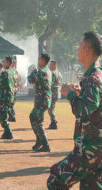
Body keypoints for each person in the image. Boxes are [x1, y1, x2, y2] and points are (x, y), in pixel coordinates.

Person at [47, 31, 102, 190]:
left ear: (87, 50)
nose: (77, 49)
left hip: (88, 149)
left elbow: (84, 109)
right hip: (97, 147)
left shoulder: (92, 78)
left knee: (55, 180)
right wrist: (80, 94)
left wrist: (69, 94)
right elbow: (94, 106)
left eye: (80, 46)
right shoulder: (97, 76)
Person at [28, 53, 52, 152]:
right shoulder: (48, 71)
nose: (38, 60)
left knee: (37, 120)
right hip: (44, 99)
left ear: (44, 61)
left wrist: (33, 71)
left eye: (39, 59)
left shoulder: (41, 71)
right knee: (34, 117)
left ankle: (45, 144)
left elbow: (31, 80)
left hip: (42, 100)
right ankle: (39, 140)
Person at [0, 57, 15, 139]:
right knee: (4, 114)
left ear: (7, 63)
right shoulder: (13, 72)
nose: (3, 63)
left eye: (4, 62)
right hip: (10, 96)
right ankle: (6, 132)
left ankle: (8, 131)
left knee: (2, 115)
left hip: (4, 96)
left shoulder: (4, 73)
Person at [47, 61, 62, 129]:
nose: (50, 66)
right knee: (51, 108)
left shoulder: (52, 73)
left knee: (50, 109)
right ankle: (53, 122)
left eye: (51, 65)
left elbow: (50, 83)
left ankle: (54, 122)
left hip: (53, 93)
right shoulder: (59, 73)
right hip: (57, 93)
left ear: (55, 65)